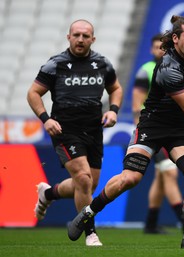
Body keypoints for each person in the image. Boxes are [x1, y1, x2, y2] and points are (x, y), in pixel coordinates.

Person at [67, 15, 184, 249]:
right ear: (175, 38)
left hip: (181, 130)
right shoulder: (169, 67)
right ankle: (89, 211)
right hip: (153, 126)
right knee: (130, 179)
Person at [27, 19, 123, 246]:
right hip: (65, 129)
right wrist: (46, 119)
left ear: (93, 39)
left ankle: (48, 194)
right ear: (68, 37)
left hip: (93, 129)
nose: (81, 39)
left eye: (85, 36)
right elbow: (33, 93)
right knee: (83, 177)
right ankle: (90, 232)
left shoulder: (102, 63)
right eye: (77, 35)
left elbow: (116, 88)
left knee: (88, 185)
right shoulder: (55, 64)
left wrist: (114, 111)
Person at [132, 34, 183, 234]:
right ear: (151, 50)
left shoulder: (174, 70)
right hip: (152, 131)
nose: (160, 50)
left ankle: (150, 223)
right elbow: (137, 105)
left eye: (163, 47)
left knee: (161, 176)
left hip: (171, 128)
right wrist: (143, 132)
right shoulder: (145, 71)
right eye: (156, 47)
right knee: (169, 171)